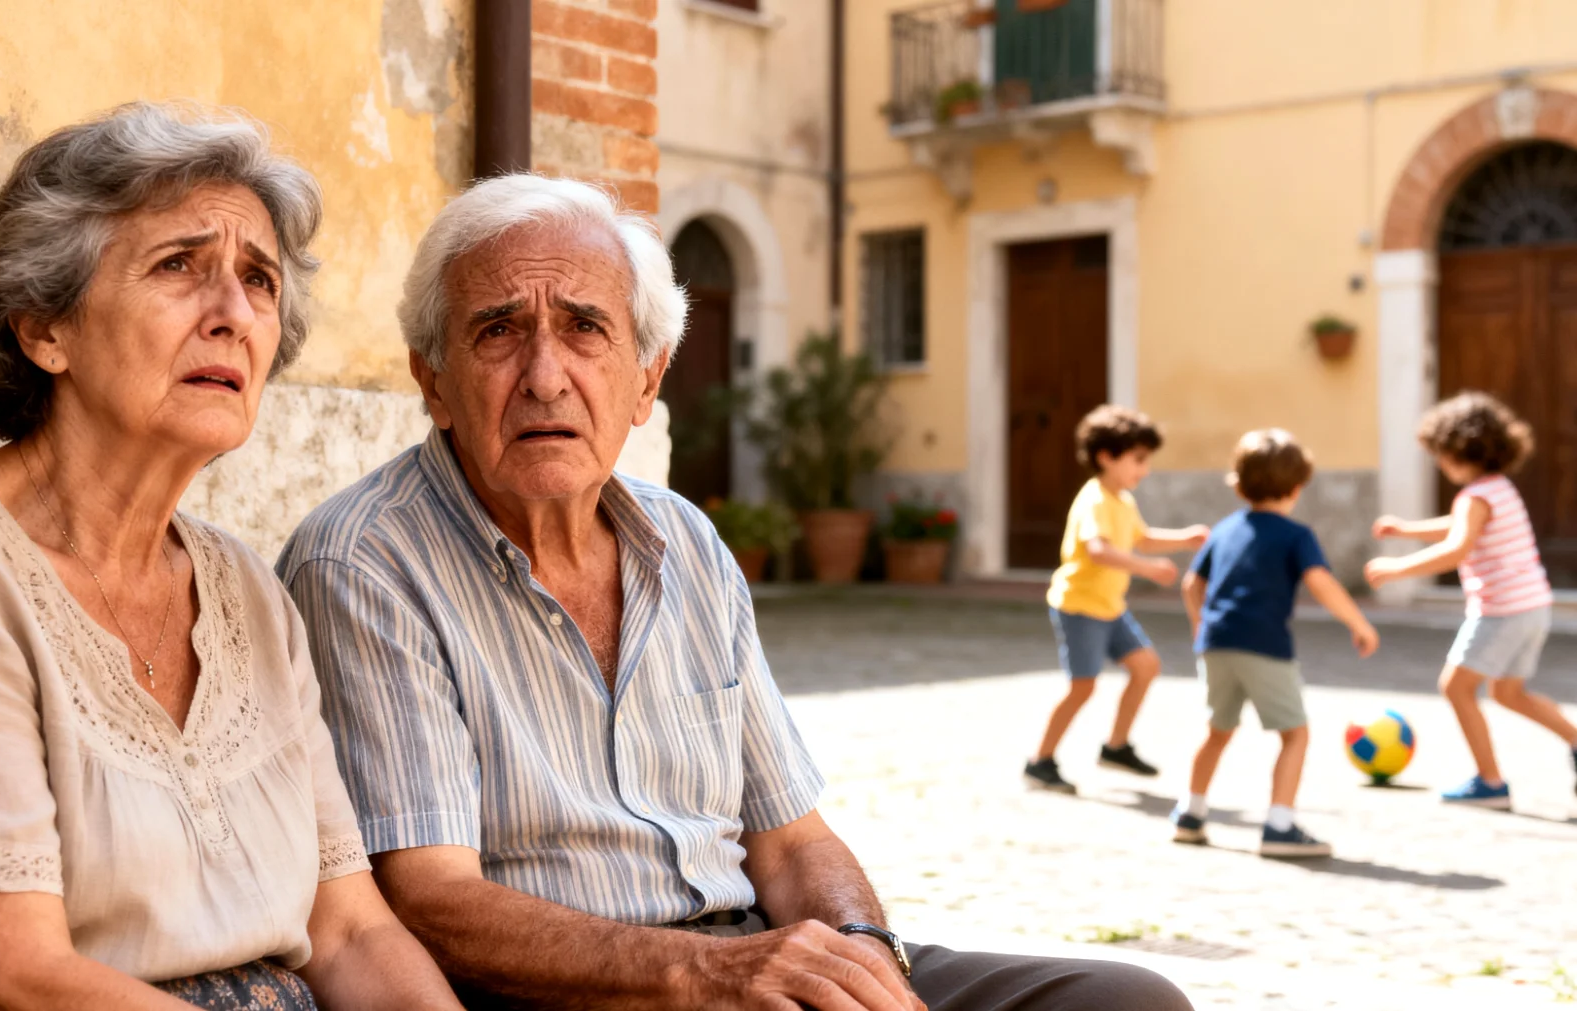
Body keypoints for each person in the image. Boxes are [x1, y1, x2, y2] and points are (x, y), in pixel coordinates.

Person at [278, 174, 1193, 1011]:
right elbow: (432, 901)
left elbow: (792, 841)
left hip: (754, 962)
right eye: (498, 330)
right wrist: (702, 971)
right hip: (581, 991)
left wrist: (866, 957)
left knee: (1127, 1002)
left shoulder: (689, 542)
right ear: (432, 380)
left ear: (647, 381)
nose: (546, 375)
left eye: (587, 329)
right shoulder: (364, 561)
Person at [0, 104, 462, 1011]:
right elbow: (10, 979)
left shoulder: (247, 590)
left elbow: (351, 929)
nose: (234, 315)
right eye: (180, 265)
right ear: (42, 327)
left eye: (258, 280)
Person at [1172, 430, 1379, 857]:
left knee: (1217, 731)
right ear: (1297, 486)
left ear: (1239, 482)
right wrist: (1358, 622)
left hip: (1216, 643)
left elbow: (1192, 584)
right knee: (1294, 734)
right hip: (1264, 644)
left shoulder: (1225, 529)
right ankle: (1279, 825)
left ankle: (1189, 814)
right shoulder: (1295, 535)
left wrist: (1200, 628)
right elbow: (1320, 581)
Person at [1366, 392, 1577, 807]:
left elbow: (1457, 548)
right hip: (1532, 606)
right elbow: (1460, 527)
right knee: (1508, 694)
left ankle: (1490, 781)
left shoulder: (1475, 498)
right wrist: (1405, 530)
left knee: (1456, 687)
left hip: (1501, 612)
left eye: (1439, 454)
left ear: (1458, 450)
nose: (1439, 463)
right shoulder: (1498, 489)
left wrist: (1395, 569)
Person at [1023, 405, 1210, 794]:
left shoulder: (1123, 500)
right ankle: (1040, 762)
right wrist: (1147, 569)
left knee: (1146, 667)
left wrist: (1184, 538)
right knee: (1083, 687)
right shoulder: (1094, 500)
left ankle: (1116, 746)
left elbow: (1139, 537)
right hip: (1080, 607)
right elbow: (1098, 550)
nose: (1144, 469)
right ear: (1106, 457)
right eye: (1138, 459)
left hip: (1110, 607)